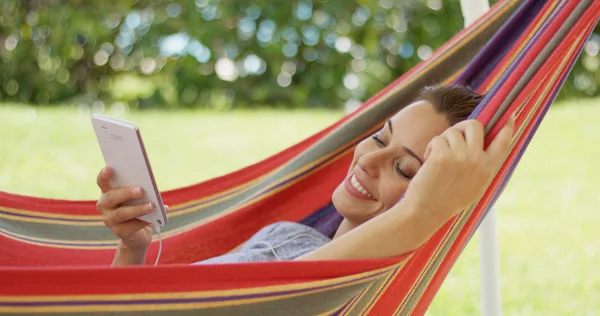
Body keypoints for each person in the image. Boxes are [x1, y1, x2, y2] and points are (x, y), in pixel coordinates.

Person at [95, 84, 515, 266]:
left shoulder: (358, 295)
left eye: (404, 169)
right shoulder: (286, 236)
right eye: (378, 137)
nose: (368, 160)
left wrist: (426, 211)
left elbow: (299, 287)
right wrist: (133, 250)